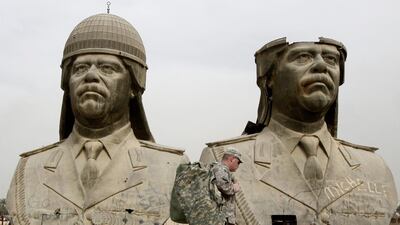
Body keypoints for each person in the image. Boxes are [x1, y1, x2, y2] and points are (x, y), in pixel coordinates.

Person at [7, 13, 188, 225]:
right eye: (80, 68)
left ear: (133, 85)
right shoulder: (29, 169)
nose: (91, 76)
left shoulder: (171, 169)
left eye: (107, 68)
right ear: (68, 82)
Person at [200, 37, 398, 225]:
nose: (321, 66)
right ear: (269, 78)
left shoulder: (375, 168)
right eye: (302, 57)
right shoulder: (219, 159)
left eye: (331, 59)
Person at [211, 147, 242, 225]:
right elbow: (225, 188)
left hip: (224, 218)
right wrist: (235, 187)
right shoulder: (220, 169)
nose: (238, 165)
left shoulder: (222, 169)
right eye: (238, 162)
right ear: (232, 159)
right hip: (222, 218)